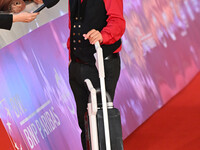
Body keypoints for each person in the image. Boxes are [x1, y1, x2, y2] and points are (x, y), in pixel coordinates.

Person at [67, 0, 125, 149]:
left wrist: (102, 35)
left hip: (101, 63)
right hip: (77, 65)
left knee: (101, 122)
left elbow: (118, 22)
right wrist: (71, 58)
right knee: (85, 125)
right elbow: (72, 24)